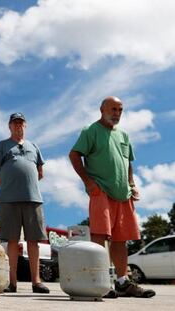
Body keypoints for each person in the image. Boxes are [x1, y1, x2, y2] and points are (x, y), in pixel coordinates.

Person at [69, 96, 155, 298]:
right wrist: (88, 182)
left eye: (120, 110)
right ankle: (101, 283)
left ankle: (122, 283)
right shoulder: (90, 131)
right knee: (100, 235)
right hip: (101, 191)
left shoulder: (124, 135)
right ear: (102, 110)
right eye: (113, 109)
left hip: (123, 194)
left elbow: (128, 163)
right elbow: (74, 154)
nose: (117, 114)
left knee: (121, 239)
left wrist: (132, 184)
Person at [0, 113, 49, 294]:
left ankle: (36, 282)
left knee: (34, 241)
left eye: (21, 123)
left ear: (25, 125)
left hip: (33, 199)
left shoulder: (34, 146)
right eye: (14, 123)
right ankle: (11, 282)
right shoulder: (2, 145)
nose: (18, 126)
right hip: (8, 200)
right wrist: (5, 185)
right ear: (9, 126)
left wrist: (26, 183)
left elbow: (40, 172)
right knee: (12, 241)